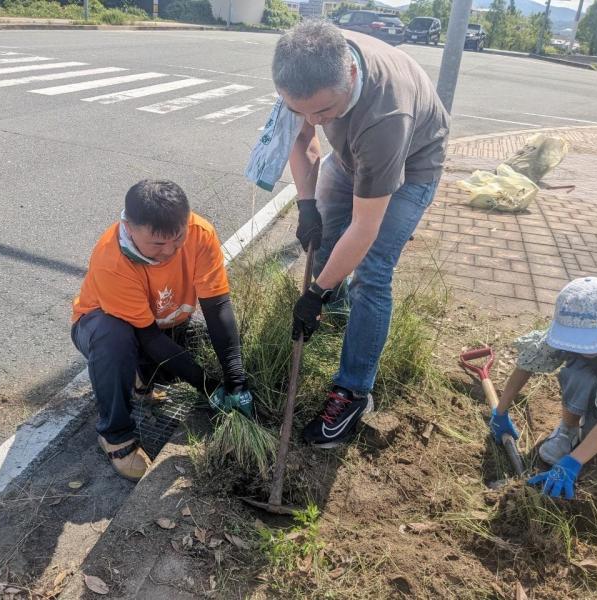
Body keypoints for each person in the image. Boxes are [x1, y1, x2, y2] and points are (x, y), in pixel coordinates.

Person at [271, 20, 450, 447]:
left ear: (350, 76)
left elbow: (366, 227)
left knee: (371, 273)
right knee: (326, 237)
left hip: (411, 168)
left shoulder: (386, 117)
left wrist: (315, 292)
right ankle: (337, 310)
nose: (313, 119)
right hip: (352, 156)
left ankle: (352, 391)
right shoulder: (303, 67)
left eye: (324, 111)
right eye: (302, 108)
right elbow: (302, 137)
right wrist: (306, 202)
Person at [71, 180, 252, 481]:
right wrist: (208, 385)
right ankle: (115, 435)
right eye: (157, 244)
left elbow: (217, 307)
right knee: (115, 340)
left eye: (177, 238)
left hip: (164, 323)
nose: (169, 251)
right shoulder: (112, 260)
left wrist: (235, 378)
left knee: (220, 343)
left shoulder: (199, 234)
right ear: (129, 227)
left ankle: (142, 380)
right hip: (106, 327)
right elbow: (148, 336)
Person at [490, 277, 597, 499]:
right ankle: (568, 430)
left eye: (590, 343)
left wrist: (572, 462)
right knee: (578, 373)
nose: (581, 349)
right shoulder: (573, 322)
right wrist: (499, 413)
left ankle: (595, 439)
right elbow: (529, 362)